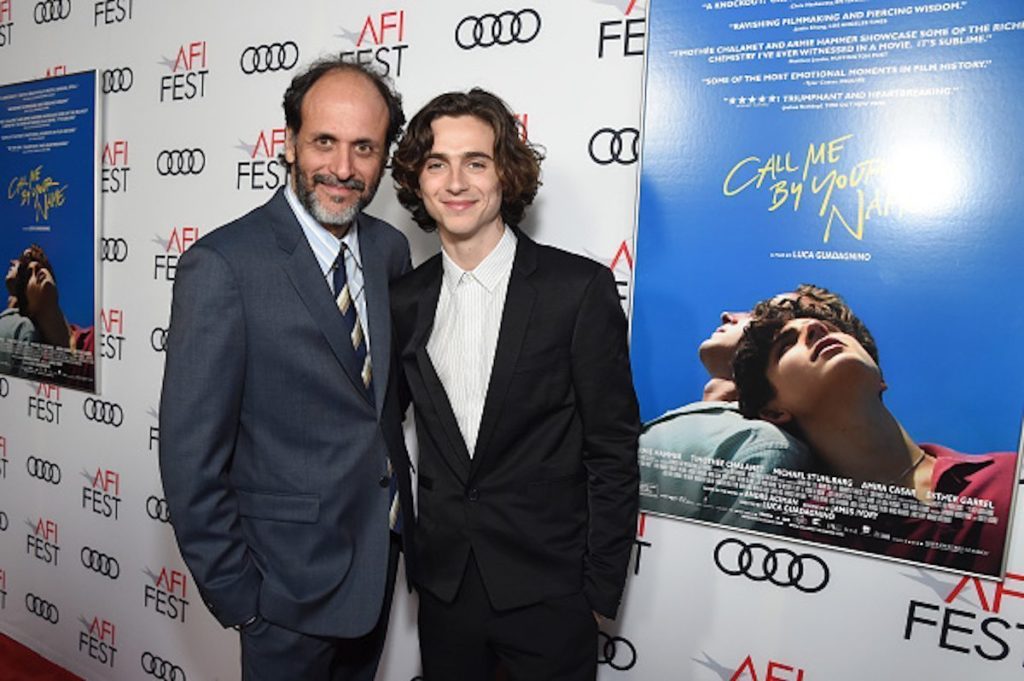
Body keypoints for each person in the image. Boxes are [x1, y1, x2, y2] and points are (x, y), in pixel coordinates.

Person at [158, 58, 412, 681]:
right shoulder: (222, 264)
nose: (343, 169)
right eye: (324, 141)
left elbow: (379, 404)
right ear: (288, 142)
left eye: (364, 148)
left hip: (376, 569)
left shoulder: (389, 250)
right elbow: (191, 459)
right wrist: (244, 602)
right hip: (282, 594)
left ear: (384, 157)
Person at [390, 89, 640, 680]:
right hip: (446, 589)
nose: (456, 182)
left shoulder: (576, 290)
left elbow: (612, 447)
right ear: (418, 182)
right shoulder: (404, 300)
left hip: (551, 592)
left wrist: (598, 593)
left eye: (476, 161)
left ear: (506, 173)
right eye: (436, 163)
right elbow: (375, 433)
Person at [732, 295, 1018, 573]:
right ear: (772, 412)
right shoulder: (800, 537)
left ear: (880, 377)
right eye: (785, 345)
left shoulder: (1010, 476)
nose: (816, 328)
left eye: (831, 329)